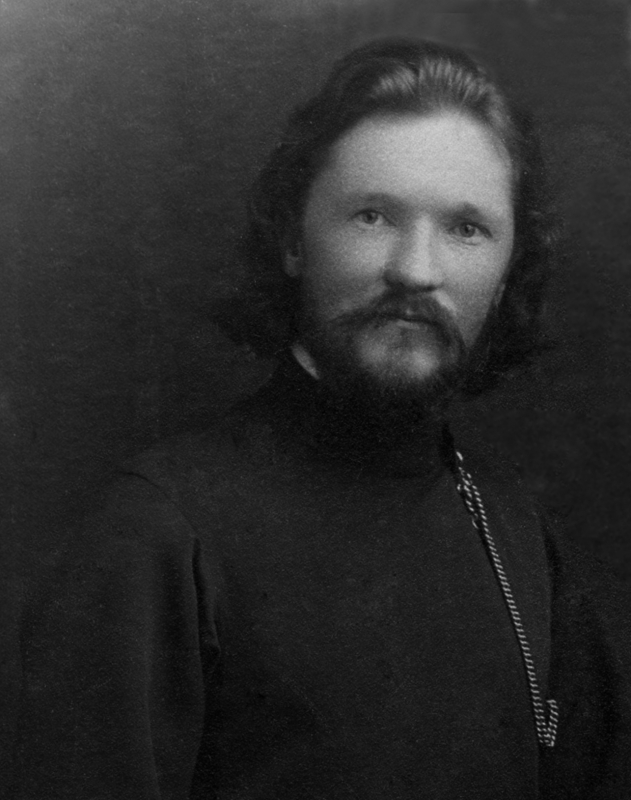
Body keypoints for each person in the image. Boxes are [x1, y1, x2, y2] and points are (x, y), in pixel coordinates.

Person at [8, 38, 631, 800]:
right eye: (372, 216)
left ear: (503, 276)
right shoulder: (156, 535)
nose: (416, 269)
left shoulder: (514, 537)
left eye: (465, 228)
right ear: (292, 239)